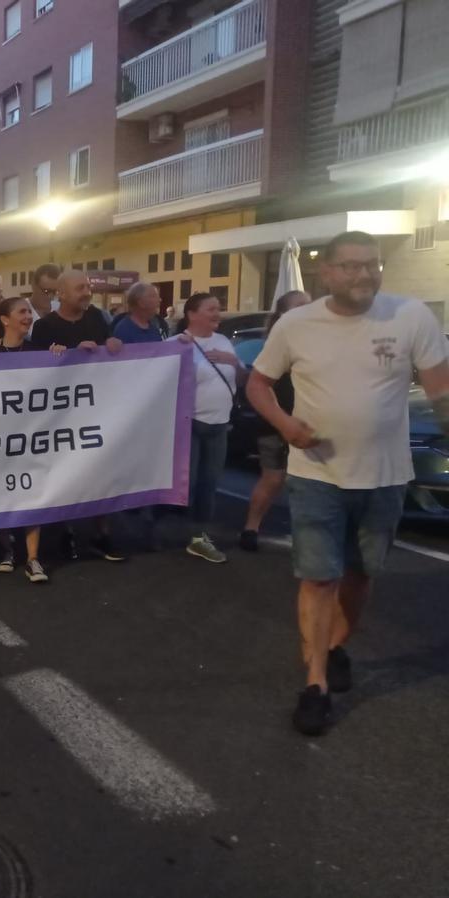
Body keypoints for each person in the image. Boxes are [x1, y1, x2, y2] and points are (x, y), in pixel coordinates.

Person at [248, 231, 448, 736]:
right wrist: (287, 425)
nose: (364, 274)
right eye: (352, 266)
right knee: (318, 577)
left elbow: (440, 394)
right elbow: (258, 384)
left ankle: (335, 647)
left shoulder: (411, 317)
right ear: (327, 273)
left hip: (384, 476)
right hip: (317, 474)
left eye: (372, 265)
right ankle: (314, 683)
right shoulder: (296, 324)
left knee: (361, 575)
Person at [30, 270, 126, 562]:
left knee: (99, 472)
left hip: (95, 412)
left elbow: (110, 347)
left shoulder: (97, 318)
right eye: (79, 288)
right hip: (60, 417)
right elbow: (33, 369)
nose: (87, 292)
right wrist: (68, 352)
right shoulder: (46, 326)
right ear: (61, 294)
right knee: (63, 475)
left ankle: (102, 532)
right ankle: (65, 531)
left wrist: (113, 346)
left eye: (87, 287)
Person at [170, 292, 245, 565]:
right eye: (211, 309)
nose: (218, 313)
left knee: (209, 483)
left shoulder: (224, 341)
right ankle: (187, 533)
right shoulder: (175, 343)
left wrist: (233, 361)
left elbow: (243, 379)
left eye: (219, 309)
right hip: (190, 425)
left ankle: (198, 536)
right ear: (192, 314)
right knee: (187, 485)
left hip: (219, 424)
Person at [239, 290, 312, 551]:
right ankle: (251, 528)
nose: (309, 308)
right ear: (284, 314)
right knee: (274, 478)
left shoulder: (314, 339)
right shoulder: (280, 343)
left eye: (309, 303)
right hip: (278, 421)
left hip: (307, 423)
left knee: (305, 483)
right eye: (301, 305)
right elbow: (259, 385)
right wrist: (282, 420)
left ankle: (304, 534)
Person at [0, 297, 48, 583]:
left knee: (32, 492)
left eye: (29, 312)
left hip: (30, 435)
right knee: (0, 494)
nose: (28, 316)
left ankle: (33, 558)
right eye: (22, 312)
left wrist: (62, 356)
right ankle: (6, 550)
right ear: (5, 319)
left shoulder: (39, 351)